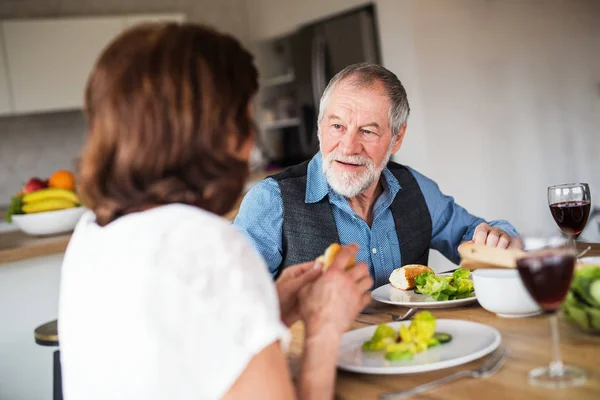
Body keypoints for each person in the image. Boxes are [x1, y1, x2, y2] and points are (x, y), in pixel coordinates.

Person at [58, 23, 373, 400]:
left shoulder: (94, 232)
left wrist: (265, 309)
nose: (251, 137)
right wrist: (323, 330)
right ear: (216, 133)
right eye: (244, 117)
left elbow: (178, 358)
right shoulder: (204, 244)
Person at [233, 63, 520, 287]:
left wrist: (500, 238)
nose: (348, 147)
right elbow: (235, 307)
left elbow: (477, 236)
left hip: (414, 354)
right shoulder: (271, 201)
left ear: (397, 138)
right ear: (320, 127)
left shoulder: (416, 188)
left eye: (367, 131)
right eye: (337, 127)